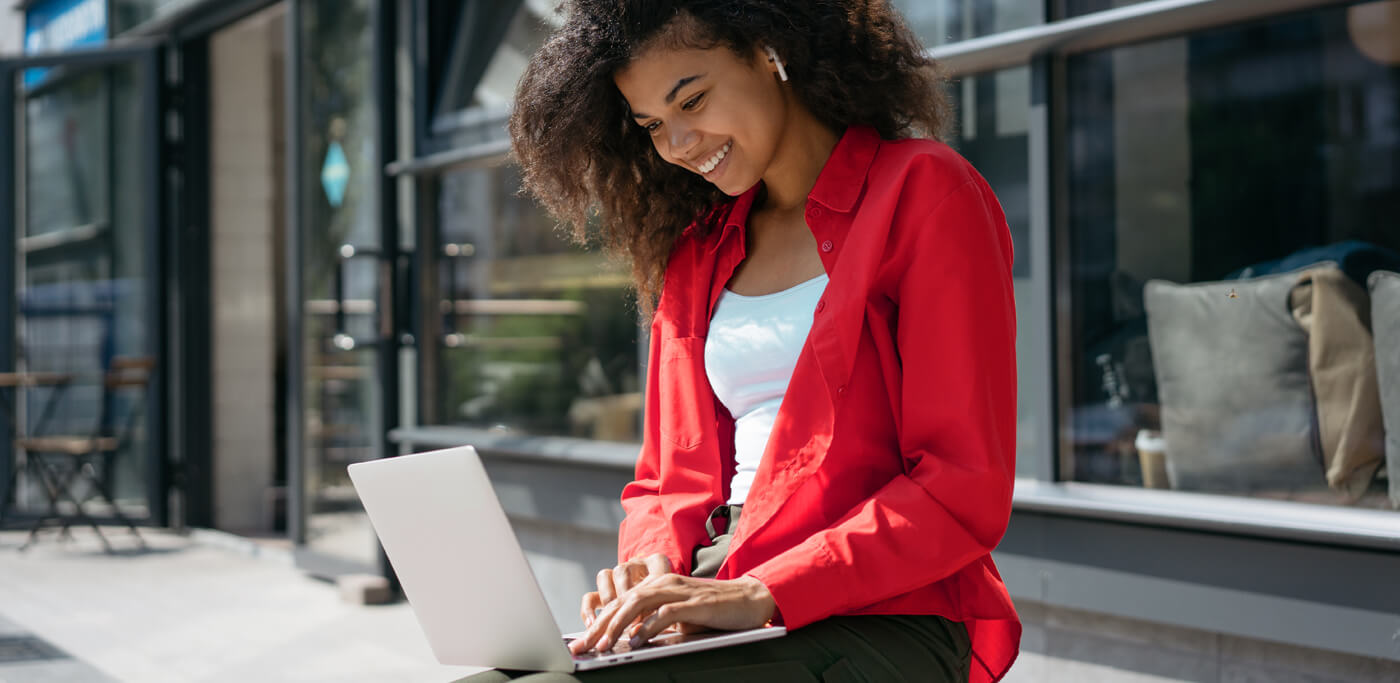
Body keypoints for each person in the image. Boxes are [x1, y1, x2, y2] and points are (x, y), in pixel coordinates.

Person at [471, 1, 1022, 680]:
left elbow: (961, 486)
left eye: (692, 99)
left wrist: (765, 591)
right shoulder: (698, 253)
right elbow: (668, 481)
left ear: (769, 49)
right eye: (652, 125)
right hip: (725, 585)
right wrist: (650, 564)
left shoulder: (925, 191)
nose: (676, 144)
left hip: (882, 609)